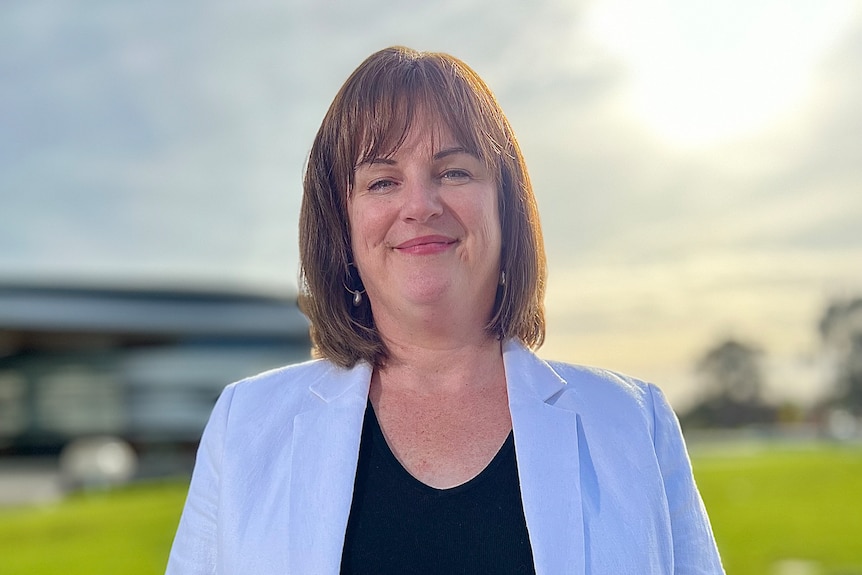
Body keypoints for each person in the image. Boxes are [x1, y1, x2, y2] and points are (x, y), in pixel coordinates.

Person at [166, 46, 724, 574]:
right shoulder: (246, 425)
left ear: (505, 205)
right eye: (382, 181)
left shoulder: (633, 423)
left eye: (454, 171)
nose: (420, 206)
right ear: (343, 227)